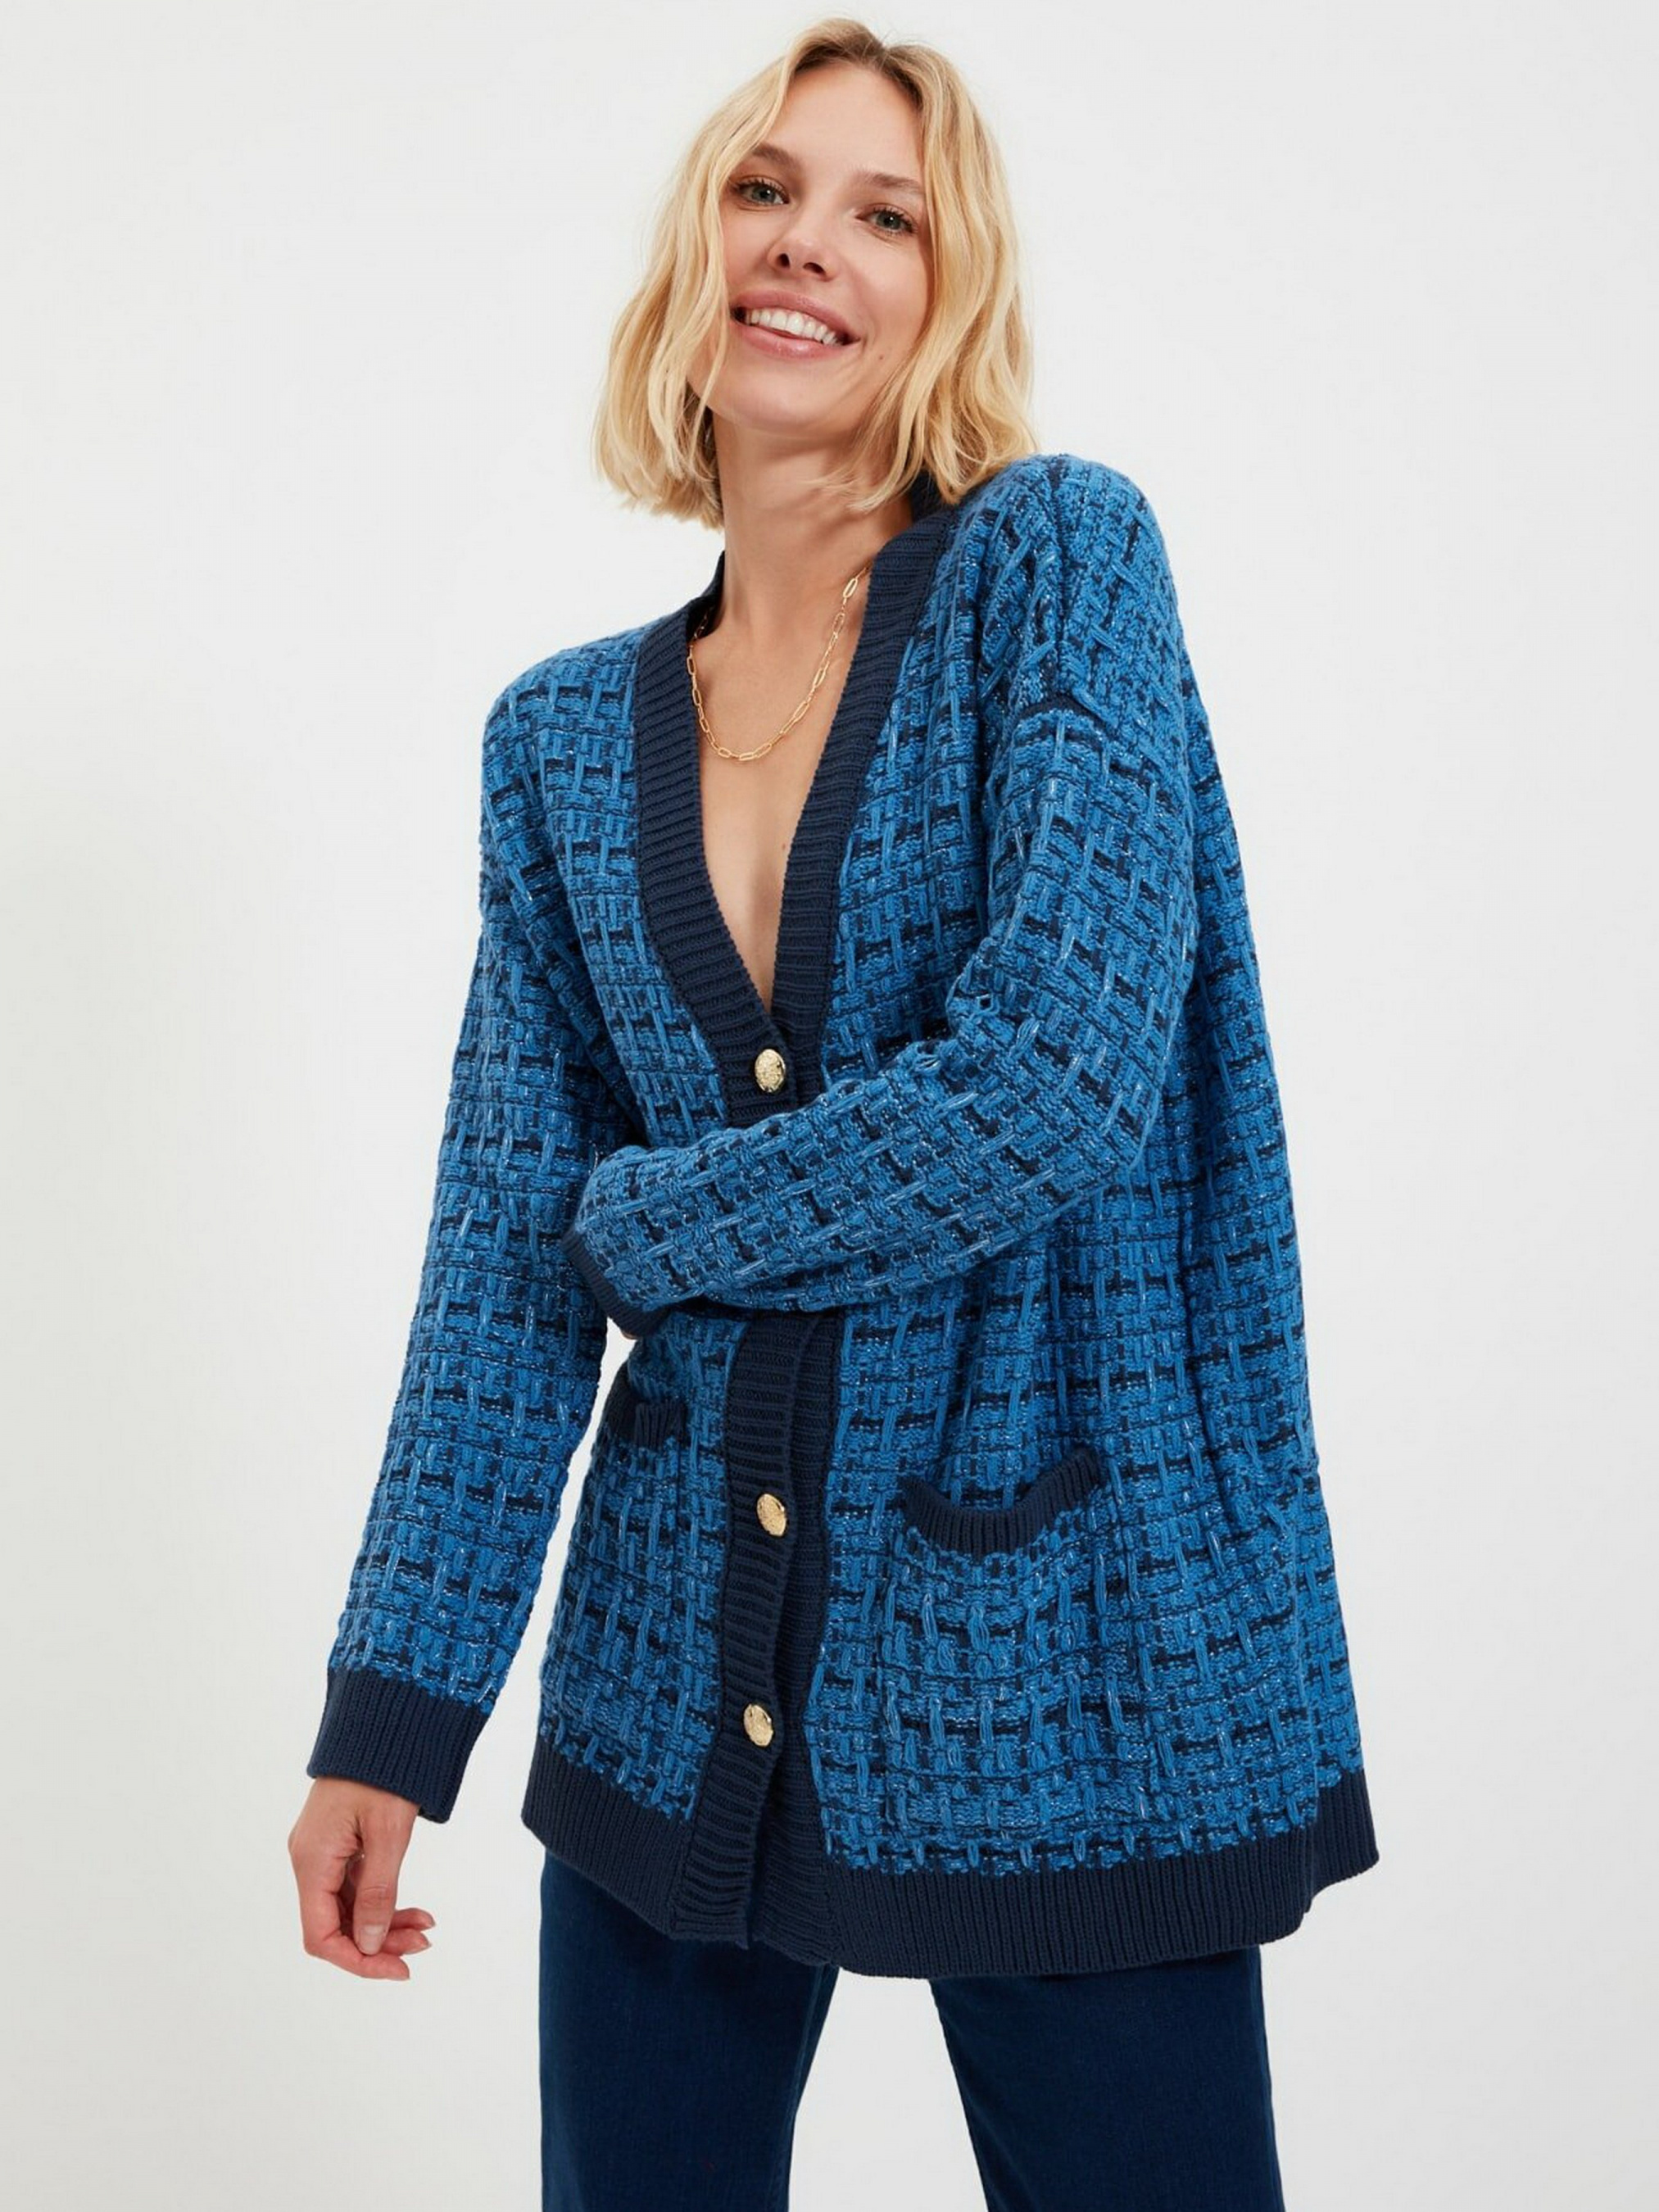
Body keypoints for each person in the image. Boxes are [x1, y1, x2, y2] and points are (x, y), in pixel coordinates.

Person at [289, 20, 1380, 2210]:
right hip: (665, 1664)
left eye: (888, 214)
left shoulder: (1057, 567)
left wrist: (652, 1224)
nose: (809, 244)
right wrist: (392, 1710)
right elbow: (502, 1251)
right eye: (765, 189)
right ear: (694, 245)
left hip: (1066, 1638)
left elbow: (1052, 1079)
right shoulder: (557, 744)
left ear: (948, 295)